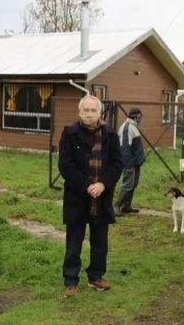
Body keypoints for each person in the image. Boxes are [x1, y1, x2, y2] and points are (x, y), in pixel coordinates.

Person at [58, 95, 123, 297]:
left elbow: (117, 163)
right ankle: (70, 280)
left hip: (102, 197)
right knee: (74, 241)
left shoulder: (110, 135)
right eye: (85, 110)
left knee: (100, 241)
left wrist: (103, 184)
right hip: (77, 196)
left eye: (93, 110)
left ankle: (95, 276)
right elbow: (65, 165)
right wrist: (87, 185)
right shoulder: (69, 134)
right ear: (79, 112)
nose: (89, 113)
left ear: (99, 112)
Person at [115, 107, 146, 215]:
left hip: (135, 162)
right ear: (136, 117)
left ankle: (126, 206)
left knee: (133, 184)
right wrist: (129, 165)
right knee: (127, 184)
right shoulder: (127, 128)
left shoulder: (133, 126)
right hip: (130, 163)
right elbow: (125, 148)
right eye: (140, 116)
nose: (141, 118)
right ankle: (116, 207)